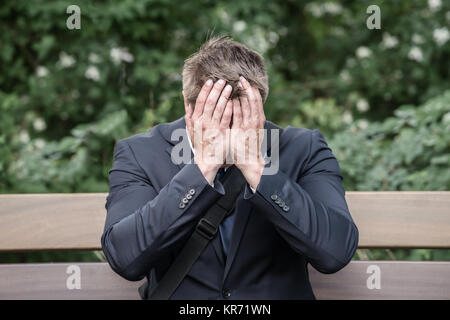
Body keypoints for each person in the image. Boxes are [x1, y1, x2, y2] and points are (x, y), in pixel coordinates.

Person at [101, 35, 359, 300]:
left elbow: (335, 252)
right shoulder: (140, 153)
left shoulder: (304, 148)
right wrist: (201, 168)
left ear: (261, 108)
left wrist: (257, 168)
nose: (229, 139)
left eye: (241, 121)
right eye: (216, 119)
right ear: (188, 106)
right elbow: (125, 258)